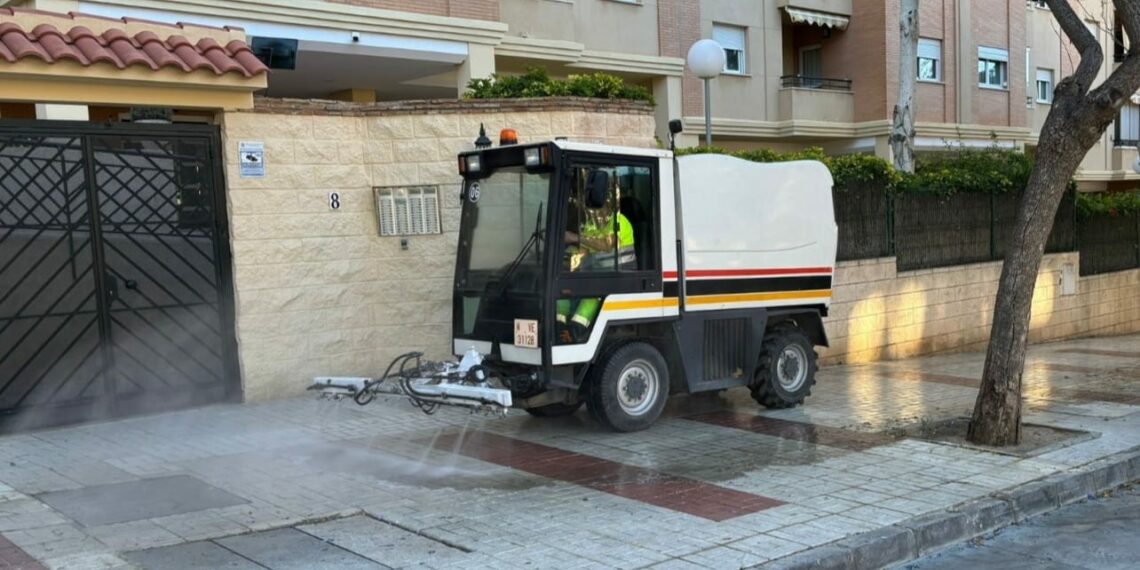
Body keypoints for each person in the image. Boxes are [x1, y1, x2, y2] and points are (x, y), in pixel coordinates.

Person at [556, 192, 636, 343]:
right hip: (596, 274)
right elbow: (583, 253)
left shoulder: (619, 221)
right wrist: (566, 262)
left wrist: (576, 237)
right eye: (590, 209)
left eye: (597, 208)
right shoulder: (591, 225)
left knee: (592, 292)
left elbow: (606, 245)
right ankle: (558, 327)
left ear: (608, 206)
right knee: (562, 286)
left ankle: (575, 331)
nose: (593, 213)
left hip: (621, 276)